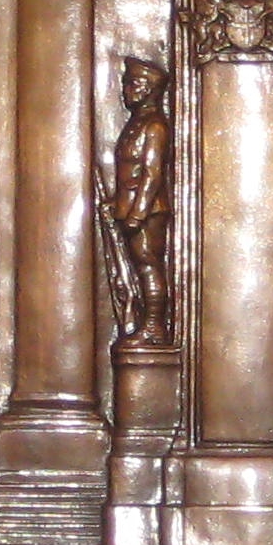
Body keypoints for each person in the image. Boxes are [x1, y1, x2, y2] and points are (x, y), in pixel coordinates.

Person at [112, 58, 171, 344]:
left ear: (148, 89)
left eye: (132, 84)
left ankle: (154, 327)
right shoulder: (138, 122)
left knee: (148, 265)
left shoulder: (155, 126)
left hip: (148, 210)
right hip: (130, 207)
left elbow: (152, 173)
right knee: (140, 266)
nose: (126, 90)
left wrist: (137, 212)